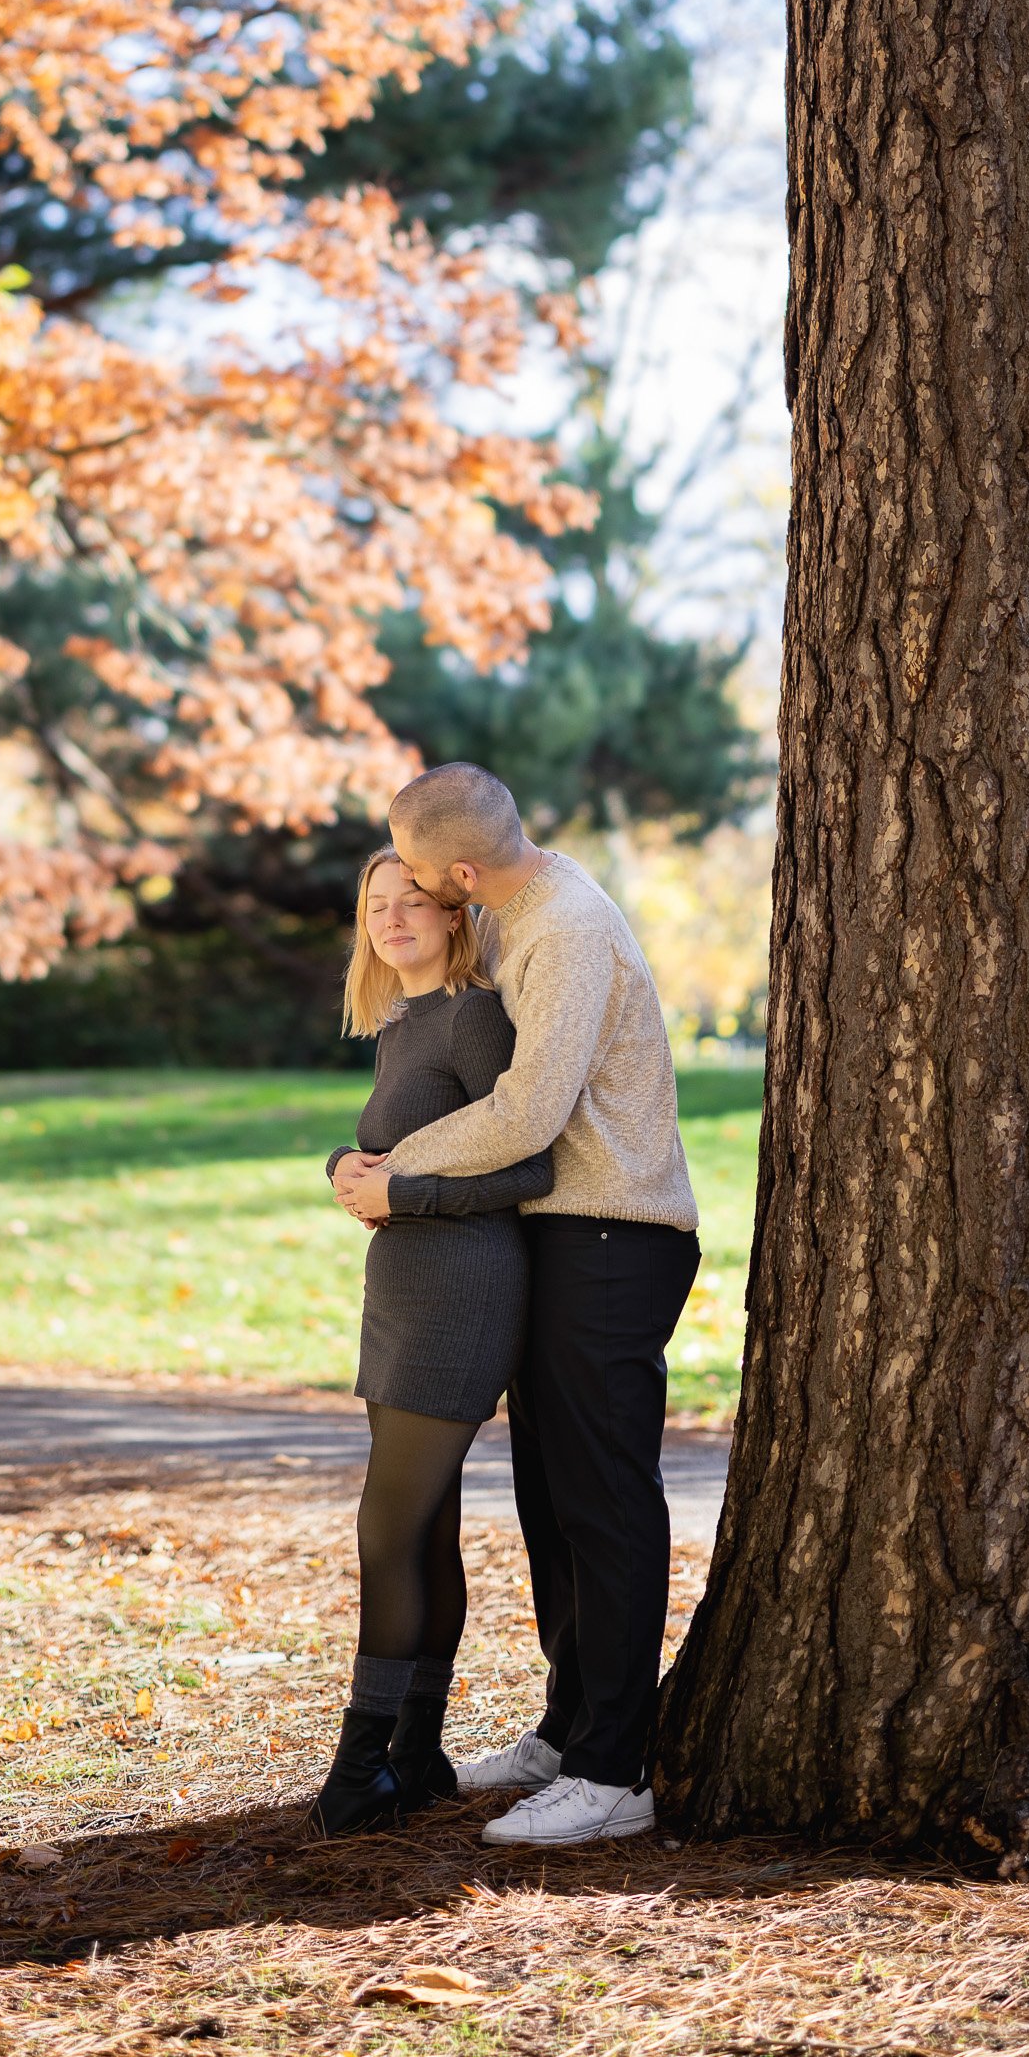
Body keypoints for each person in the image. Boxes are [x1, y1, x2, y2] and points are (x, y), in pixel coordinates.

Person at [332, 761, 699, 1847]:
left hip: (614, 1234)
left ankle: (614, 1766)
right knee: (549, 1494)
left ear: (457, 868)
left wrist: (396, 1171)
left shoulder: (566, 926)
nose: (412, 900)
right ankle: (566, 1722)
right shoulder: (522, 909)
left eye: (419, 876)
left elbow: (530, 1108)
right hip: (555, 1237)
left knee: (604, 1498)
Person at [306, 845, 555, 1838]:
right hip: (401, 1293)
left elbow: (530, 1159)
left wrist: (407, 1191)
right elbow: (396, 1141)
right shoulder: (404, 1022)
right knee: (424, 1527)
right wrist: (344, 1161)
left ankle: (358, 1764)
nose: (394, 915)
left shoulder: (476, 1014)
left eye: (414, 899)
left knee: (388, 1530)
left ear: (455, 913)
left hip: (463, 1291)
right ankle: (418, 1751)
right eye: (377, 902)